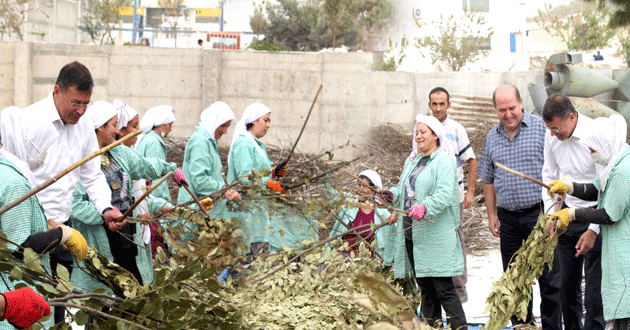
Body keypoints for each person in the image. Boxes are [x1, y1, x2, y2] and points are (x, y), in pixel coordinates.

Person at [1, 61, 123, 324]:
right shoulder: (31, 122)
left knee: (58, 300)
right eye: (75, 102)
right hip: (29, 229)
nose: (80, 111)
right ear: (57, 91)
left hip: (62, 228)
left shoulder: (84, 126)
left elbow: (92, 174)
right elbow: (17, 185)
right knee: (26, 297)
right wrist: (52, 228)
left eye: (85, 104)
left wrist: (105, 208)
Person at [70, 101, 185, 296]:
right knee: (105, 290)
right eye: (114, 125)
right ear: (99, 127)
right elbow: (75, 204)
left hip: (127, 234)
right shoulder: (81, 158)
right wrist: (104, 216)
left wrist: (170, 169)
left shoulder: (118, 152)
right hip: (101, 237)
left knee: (132, 288)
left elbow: (144, 166)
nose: (117, 131)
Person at [477, 85, 561, 329]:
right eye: (502, 110)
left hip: (540, 215)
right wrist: (492, 214)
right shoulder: (492, 137)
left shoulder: (541, 129)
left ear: (521, 103)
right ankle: (524, 326)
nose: (508, 114)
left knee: (549, 279)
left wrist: (554, 215)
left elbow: (557, 171)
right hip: (509, 220)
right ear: (495, 110)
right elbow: (488, 179)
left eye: (512, 108)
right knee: (515, 281)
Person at [548, 114, 630, 329]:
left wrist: (572, 213)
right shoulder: (614, 165)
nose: (590, 155)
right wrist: (569, 187)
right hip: (618, 252)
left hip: (624, 252)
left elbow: (608, 215)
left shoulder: (623, 171)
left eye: (592, 150)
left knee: (625, 314)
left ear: (605, 144)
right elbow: (595, 189)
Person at [390, 114, 466, 329]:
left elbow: (444, 194)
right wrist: (390, 194)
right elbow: (405, 192)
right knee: (425, 288)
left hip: (435, 234)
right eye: (416, 133)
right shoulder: (412, 161)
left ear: (436, 135)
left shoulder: (444, 162)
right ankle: (431, 326)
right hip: (412, 232)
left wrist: (425, 207)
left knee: (444, 289)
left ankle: (459, 327)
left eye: (423, 132)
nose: (418, 136)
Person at [541, 94, 605, 330]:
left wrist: (593, 230)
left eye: (556, 129)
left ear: (572, 116)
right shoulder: (552, 136)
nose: (553, 135)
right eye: (549, 129)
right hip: (566, 215)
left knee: (594, 292)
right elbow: (549, 176)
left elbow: (604, 187)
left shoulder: (594, 135)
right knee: (567, 285)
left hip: (594, 214)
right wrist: (551, 215)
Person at [427, 87, 477, 302]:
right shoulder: (423, 129)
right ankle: (436, 287)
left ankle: (459, 289)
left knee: (455, 238)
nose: (438, 108)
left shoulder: (456, 129)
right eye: (434, 104)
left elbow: (471, 160)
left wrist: (470, 192)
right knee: (431, 239)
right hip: (429, 198)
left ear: (449, 104)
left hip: (452, 197)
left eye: (442, 104)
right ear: (429, 105)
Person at [114, 99, 173, 258]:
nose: (139, 130)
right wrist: (171, 169)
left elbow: (142, 189)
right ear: (120, 130)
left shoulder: (129, 153)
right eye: (134, 126)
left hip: (140, 221)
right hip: (126, 228)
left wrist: (157, 204)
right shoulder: (115, 161)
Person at [227, 103, 285, 255]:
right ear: (253, 120)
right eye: (265, 120)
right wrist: (269, 184)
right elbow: (245, 178)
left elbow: (257, 172)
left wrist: (273, 172)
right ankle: (224, 280)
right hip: (247, 214)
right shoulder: (244, 144)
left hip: (257, 214)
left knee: (249, 262)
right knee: (244, 263)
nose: (268, 125)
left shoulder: (255, 144)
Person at [177, 101, 241, 218]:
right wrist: (223, 190)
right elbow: (200, 181)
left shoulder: (209, 141)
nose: (225, 131)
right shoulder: (200, 141)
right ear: (214, 121)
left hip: (205, 212)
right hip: (195, 214)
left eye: (227, 126)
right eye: (223, 125)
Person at [328, 170, 396, 265]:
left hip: (368, 263)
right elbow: (330, 194)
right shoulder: (349, 205)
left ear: (374, 189)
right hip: (343, 259)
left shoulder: (382, 214)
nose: (360, 189)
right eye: (359, 185)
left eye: (364, 186)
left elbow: (392, 242)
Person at [136, 104, 176, 203]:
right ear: (162, 125)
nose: (170, 129)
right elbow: (156, 175)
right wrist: (161, 203)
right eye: (170, 125)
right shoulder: (154, 143)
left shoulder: (149, 139)